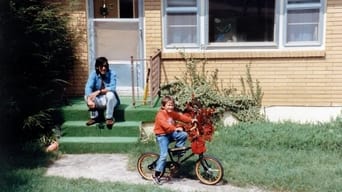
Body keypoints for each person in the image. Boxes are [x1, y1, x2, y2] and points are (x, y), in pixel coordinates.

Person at [152, 95, 195, 185]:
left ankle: (176, 152)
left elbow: (180, 117)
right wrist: (175, 129)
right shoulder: (160, 114)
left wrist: (191, 120)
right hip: (162, 136)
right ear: (163, 106)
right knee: (163, 155)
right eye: (169, 105)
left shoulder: (171, 113)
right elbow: (165, 125)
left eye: (172, 105)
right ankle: (156, 175)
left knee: (183, 135)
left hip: (170, 133)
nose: (171, 107)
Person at [84, 56, 119, 129]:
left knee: (110, 94)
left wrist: (99, 91)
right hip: (99, 101)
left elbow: (112, 87)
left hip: (111, 101)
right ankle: (94, 118)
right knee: (87, 96)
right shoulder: (93, 74)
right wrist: (89, 99)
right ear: (97, 67)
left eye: (105, 66)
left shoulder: (112, 73)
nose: (104, 68)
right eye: (101, 66)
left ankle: (109, 118)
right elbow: (88, 87)